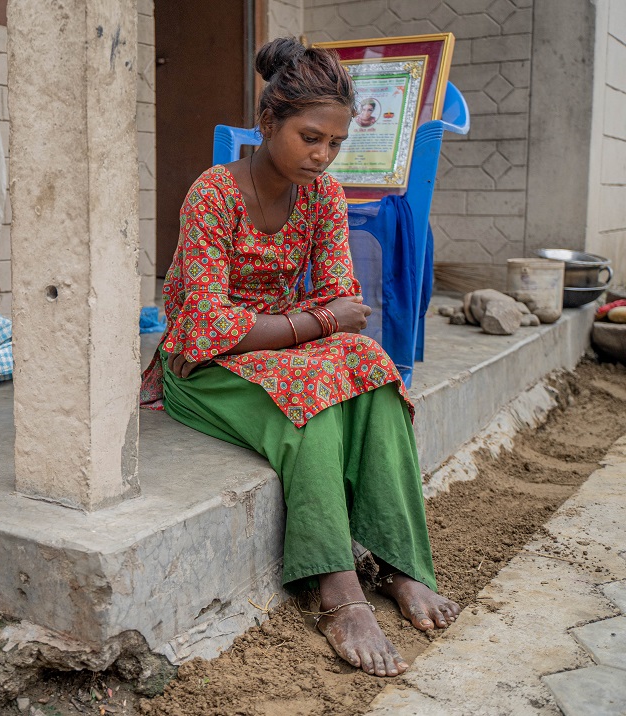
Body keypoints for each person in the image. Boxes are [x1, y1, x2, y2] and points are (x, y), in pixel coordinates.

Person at [141, 37, 459, 677]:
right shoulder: (214, 195)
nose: (323, 156)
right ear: (267, 124)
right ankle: (337, 588)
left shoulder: (324, 197)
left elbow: (343, 297)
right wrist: (312, 321)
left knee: (369, 364)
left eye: (336, 143)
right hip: (203, 367)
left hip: (279, 350)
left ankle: (399, 562)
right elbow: (204, 324)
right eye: (311, 137)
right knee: (317, 383)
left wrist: (314, 322)